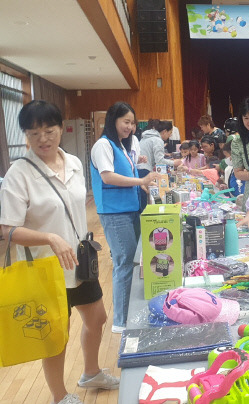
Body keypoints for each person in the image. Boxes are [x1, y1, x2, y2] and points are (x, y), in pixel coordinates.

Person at [0, 100, 119, 404]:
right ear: (26, 135)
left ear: (60, 128)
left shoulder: (75, 163)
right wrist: (50, 237)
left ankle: (90, 372)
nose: (43, 138)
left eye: (49, 129)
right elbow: (6, 230)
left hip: (79, 261)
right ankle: (58, 396)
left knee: (98, 319)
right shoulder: (19, 174)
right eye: (34, 132)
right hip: (45, 269)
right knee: (56, 335)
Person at [90, 102, 160, 333]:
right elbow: (108, 177)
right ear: (113, 121)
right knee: (123, 264)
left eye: (132, 122)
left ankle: (130, 313)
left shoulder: (122, 146)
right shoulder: (103, 145)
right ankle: (121, 321)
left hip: (130, 209)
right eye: (125, 122)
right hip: (113, 213)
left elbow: (128, 173)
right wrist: (140, 181)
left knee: (134, 260)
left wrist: (142, 186)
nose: (130, 127)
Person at [138, 120, 182, 212]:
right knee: (144, 200)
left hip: (139, 170)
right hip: (145, 171)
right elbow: (159, 161)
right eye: (170, 133)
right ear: (165, 131)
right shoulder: (157, 140)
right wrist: (174, 163)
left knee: (141, 199)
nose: (170, 136)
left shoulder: (145, 138)